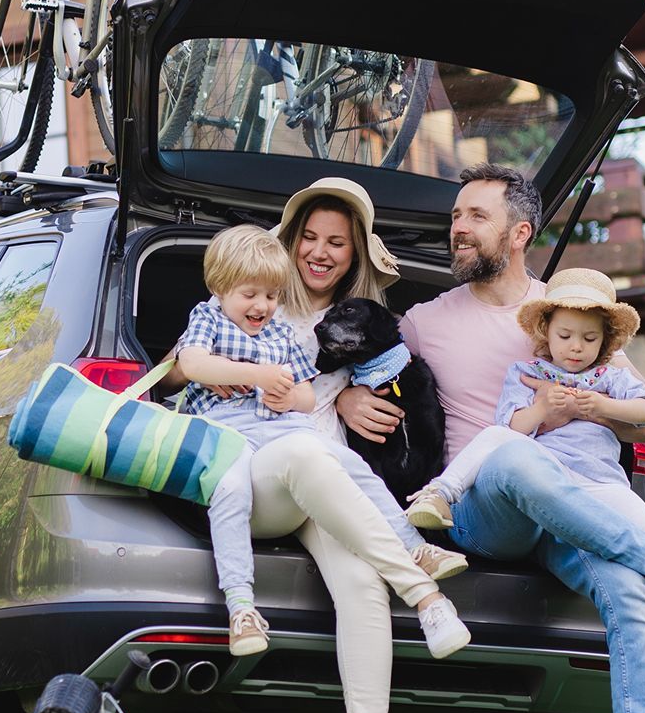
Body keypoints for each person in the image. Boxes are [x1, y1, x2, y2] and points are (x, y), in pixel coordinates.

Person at [337, 162, 645, 713]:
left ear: (519, 233)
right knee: (511, 454)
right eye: (456, 216)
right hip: (487, 512)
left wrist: (588, 408)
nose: (458, 228)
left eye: (476, 217)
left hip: (573, 511)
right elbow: (362, 360)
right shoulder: (427, 320)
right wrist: (347, 397)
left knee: (627, 592)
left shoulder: (572, 314)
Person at [160, 177, 456, 713]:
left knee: (361, 585)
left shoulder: (362, 324)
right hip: (262, 473)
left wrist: (340, 395)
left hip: (329, 489)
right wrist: (226, 372)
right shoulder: (247, 301)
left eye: (337, 243)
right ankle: (424, 591)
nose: (320, 252)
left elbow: (363, 388)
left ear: (356, 254)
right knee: (306, 451)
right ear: (291, 241)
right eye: (310, 238)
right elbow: (174, 369)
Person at [170, 224, 472, 661]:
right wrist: (252, 375)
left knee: (355, 501)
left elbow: (307, 394)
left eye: (271, 296)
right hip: (239, 441)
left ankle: (416, 548)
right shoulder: (211, 316)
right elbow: (189, 364)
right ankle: (241, 605)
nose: (262, 305)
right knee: (244, 483)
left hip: (290, 439)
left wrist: (292, 397)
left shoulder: (286, 330)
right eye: (251, 294)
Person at [403, 267, 645, 681]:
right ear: (546, 333)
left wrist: (600, 407)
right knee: (496, 436)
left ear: (605, 342)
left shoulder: (611, 377)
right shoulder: (529, 372)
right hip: (546, 475)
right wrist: (543, 409)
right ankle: (441, 493)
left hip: (601, 482)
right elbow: (512, 427)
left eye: (589, 339)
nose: (576, 347)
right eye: (565, 336)